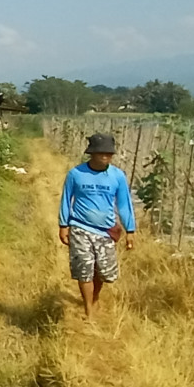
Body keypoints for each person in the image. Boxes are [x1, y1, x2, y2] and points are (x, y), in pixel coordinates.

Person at [58, 132, 136, 321]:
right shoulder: (76, 174)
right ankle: (88, 311)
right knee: (84, 269)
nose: (106, 156)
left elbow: (124, 204)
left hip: (105, 231)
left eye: (109, 154)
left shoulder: (117, 176)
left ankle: (95, 298)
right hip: (80, 227)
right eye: (101, 153)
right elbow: (66, 200)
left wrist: (130, 230)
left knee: (103, 272)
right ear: (91, 154)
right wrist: (63, 225)